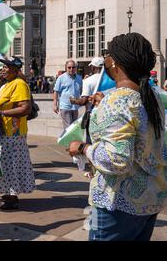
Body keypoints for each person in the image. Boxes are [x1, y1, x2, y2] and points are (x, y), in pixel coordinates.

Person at [68, 33, 167, 241]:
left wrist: (82, 148)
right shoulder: (154, 96)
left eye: (107, 55)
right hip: (150, 198)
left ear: (115, 62)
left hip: (117, 204)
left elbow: (116, 160)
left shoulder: (117, 101)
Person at [0, 57, 35, 210]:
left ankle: (12, 198)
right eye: (2, 67)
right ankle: (7, 193)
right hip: (5, 131)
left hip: (13, 133)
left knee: (11, 165)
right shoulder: (7, 84)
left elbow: (25, 108)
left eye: (6, 67)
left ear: (15, 69)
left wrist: (2, 113)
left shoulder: (19, 84)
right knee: (5, 165)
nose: (3, 69)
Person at [53, 60, 83, 131]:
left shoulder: (79, 78)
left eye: (73, 67)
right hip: (65, 106)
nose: (71, 69)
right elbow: (56, 91)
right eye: (69, 67)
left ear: (76, 68)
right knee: (68, 128)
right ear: (66, 68)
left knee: (74, 128)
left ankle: (71, 141)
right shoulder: (61, 78)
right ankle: (69, 142)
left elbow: (81, 91)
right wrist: (55, 104)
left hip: (75, 107)